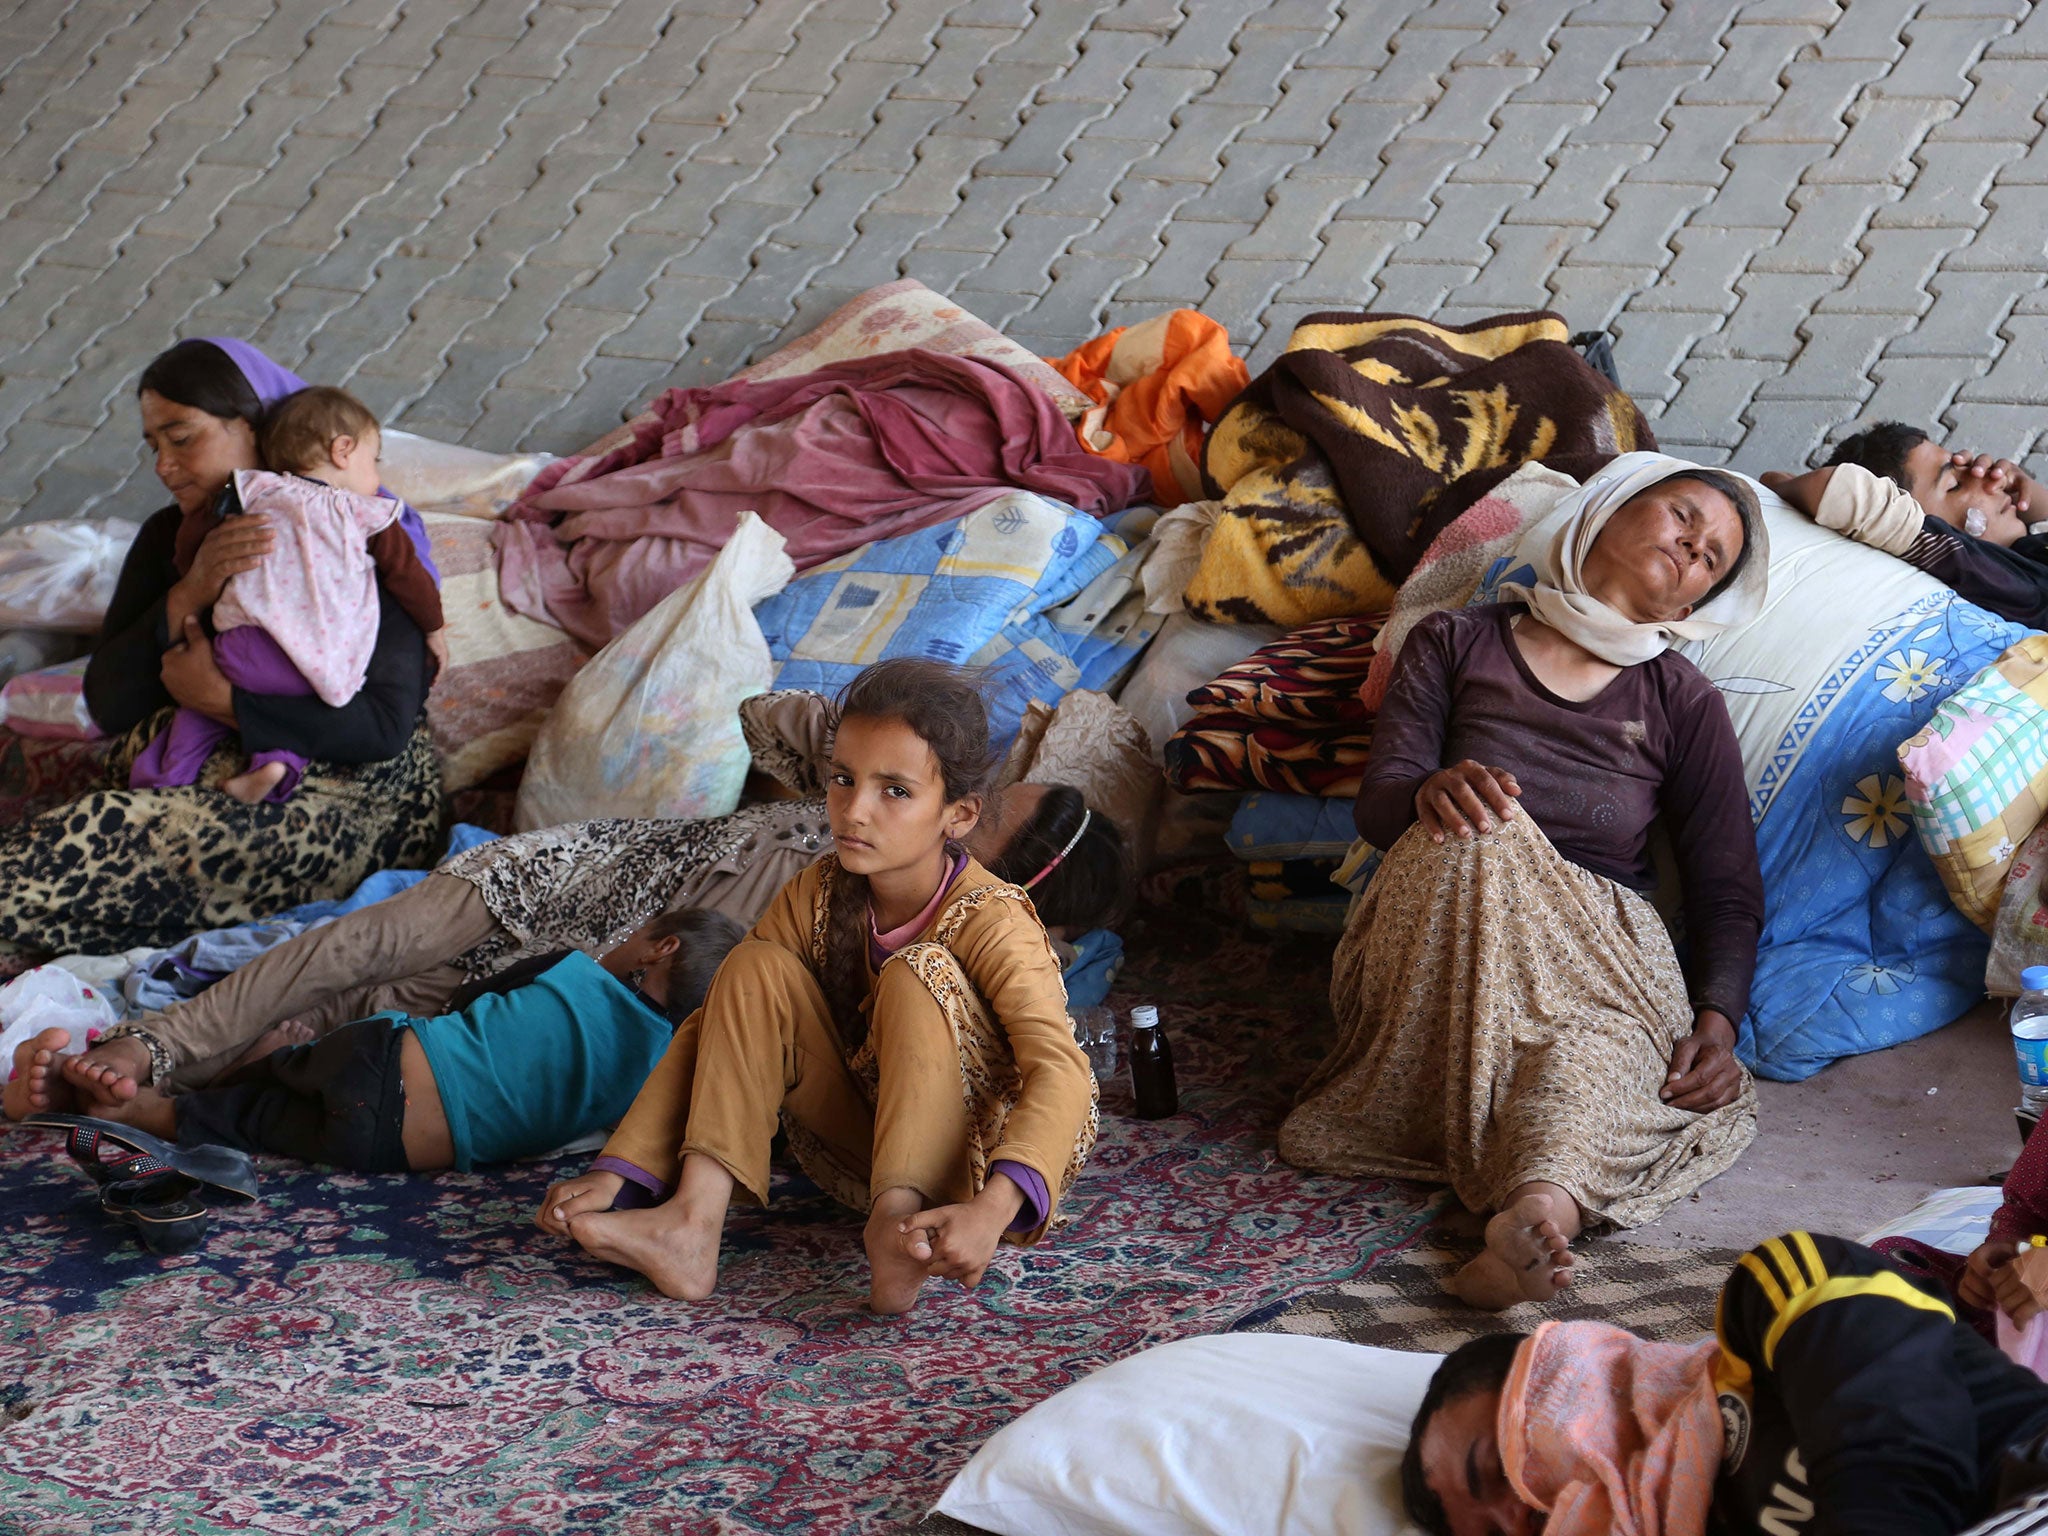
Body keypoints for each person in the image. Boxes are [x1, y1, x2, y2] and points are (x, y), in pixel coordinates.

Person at [17, 689, 1133, 1112]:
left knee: (350, 1032)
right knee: (352, 945)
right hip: (559, 880)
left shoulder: (905, 950)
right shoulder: (873, 798)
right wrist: (886, 747)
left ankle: (119, 1081)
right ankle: (144, 1049)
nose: (963, 800)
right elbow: (764, 714)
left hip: (578, 981)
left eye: (983, 812)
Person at [1279, 453, 1768, 1309]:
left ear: (1689, 607)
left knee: (1585, 1063)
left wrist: (1717, 1022)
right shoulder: (1456, 640)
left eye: (1713, 558)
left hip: (1597, 961)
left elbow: (1726, 881)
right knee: (1484, 826)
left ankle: (1529, 1218)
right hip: (1447, 939)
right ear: (1606, 514)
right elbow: (1380, 807)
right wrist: (1430, 792)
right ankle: (1512, 1185)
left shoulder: (1682, 701)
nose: (1694, 548)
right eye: (1683, 518)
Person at [534, 659, 1101, 1316]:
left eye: (895, 791)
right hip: (855, 1147)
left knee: (922, 971)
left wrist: (991, 1209)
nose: (854, 810)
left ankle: (897, 1234)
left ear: (960, 814)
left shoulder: (993, 918)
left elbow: (1061, 1073)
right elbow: (720, 1024)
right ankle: (691, 1222)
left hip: (961, 1179)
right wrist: (619, 1171)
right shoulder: (819, 889)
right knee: (750, 969)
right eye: (842, 779)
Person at [0, 338, 442, 962]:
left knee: (91, 834)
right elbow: (106, 700)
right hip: (221, 758)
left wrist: (225, 700)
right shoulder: (172, 537)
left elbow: (384, 727)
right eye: (153, 446)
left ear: (258, 426)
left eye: (182, 437)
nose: (162, 464)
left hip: (349, 793)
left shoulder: (350, 535)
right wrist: (191, 591)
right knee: (117, 802)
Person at [1403, 1232, 2048, 1536]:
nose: (1517, 1521)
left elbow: (1895, 1430)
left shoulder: (1767, 1302)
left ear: (1568, 1373)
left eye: (1495, 1470)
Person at [12, 908, 744, 1174]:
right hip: (403, 1151)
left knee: (310, 1064)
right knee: (267, 1127)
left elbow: (473, 1001)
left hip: (380, 1058)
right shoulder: (658, 1071)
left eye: (638, 938)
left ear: (662, 948)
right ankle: (151, 1116)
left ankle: (264, 1062)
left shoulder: (577, 972)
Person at [128, 385, 447, 805]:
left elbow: (196, 535)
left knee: (197, 706)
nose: (378, 477)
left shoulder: (255, 490)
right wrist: (435, 629)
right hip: (321, 668)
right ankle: (276, 765)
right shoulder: (369, 515)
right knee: (288, 711)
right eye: (376, 461)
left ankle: (161, 779)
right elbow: (409, 576)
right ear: (343, 450)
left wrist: (192, 571)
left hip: (245, 650)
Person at [1763, 420, 2048, 629]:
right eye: (1954, 485)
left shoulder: (2024, 557)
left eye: (1965, 465)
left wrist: (2027, 492)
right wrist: (1782, 486)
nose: (1987, 477)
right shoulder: (1997, 579)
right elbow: (1837, 489)